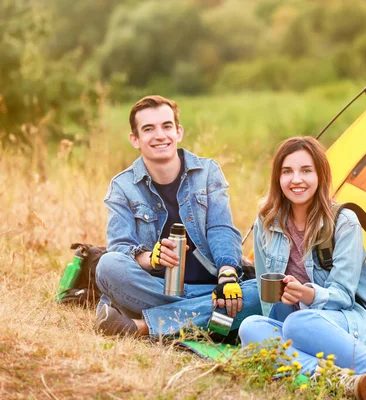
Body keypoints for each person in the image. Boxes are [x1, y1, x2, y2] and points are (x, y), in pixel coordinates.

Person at [238, 137, 366, 400]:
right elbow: (269, 304)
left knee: (298, 322)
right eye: (287, 171)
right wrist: (282, 300)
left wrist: (306, 295)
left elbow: (344, 296)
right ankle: (340, 381)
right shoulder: (266, 222)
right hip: (297, 328)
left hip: (353, 324)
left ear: (321, 175)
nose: (296, 179)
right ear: (277, 178)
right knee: (251, 326)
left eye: (306, 170)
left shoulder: (344, 222)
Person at [94, 95, 261, 338]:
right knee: (108, 266)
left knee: (263, 290)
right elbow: (120, 248)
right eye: (148, 129)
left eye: (167, 126)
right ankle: (212, 320)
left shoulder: (206, 172)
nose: (160, 135)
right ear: (135, 139)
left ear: (179, 132)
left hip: (211, 286)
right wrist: (152, 258)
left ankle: (141, 326)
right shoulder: (123, 186)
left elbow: (221, 228)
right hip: (155, 287)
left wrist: (227, 274)